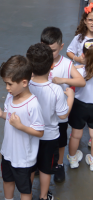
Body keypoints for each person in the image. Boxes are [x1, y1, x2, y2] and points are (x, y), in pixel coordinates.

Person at [0, 55, 44, 200]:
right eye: (5, 84)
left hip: (24, 158)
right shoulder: (10, 96)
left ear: (24, 82)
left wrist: (20, 126)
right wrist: (2, 114)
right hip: (8, 152)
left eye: (9, 84)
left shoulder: (32, 104)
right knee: (7, 181)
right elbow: (10, 117)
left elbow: (39, 132)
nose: (7, 88)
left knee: (25, 190)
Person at [27, 43, 74, 200]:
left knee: (30, 169)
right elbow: (62, 115)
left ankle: (26, 195)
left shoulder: (25, 86)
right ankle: (43, 196)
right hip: (49, 137)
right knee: (46, 170)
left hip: (30, 135)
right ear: (52, 66)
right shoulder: (56, 90)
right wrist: (71, 98)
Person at [41, 27, 86, 183]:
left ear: (61, 47)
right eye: (45, 49)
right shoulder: (39, 62)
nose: (48, 54)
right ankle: (39, 164)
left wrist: (63, 80)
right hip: (41, 112)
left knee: (60, 141)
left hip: (61, 114)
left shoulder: (66, 64)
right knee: (39, 139)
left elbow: (80, 81)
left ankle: (59, 165)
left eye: (52, 50)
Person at [67, 40, 93, 171]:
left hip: (79, 105)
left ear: (82, 55)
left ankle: (72, 159)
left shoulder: (80, 72)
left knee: (76, 134)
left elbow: (67, 74)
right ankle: (92, 161)